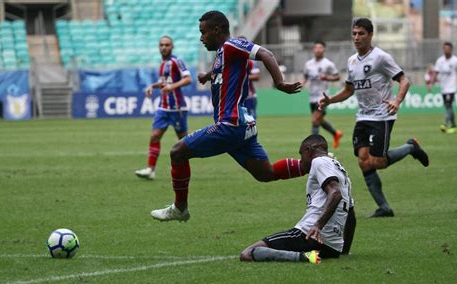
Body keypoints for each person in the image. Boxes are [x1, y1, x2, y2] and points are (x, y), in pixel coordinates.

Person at [150, 11, 302, 222]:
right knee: (265, 173)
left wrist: (279, 83)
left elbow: (266, 54)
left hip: (230, 125)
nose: (201, 38)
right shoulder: (223, 53)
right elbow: (226, 71)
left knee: (177, 152)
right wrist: (208, 75)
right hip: (242, 126)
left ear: (217, 30)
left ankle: (180, 208)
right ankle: (312, 164)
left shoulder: (232, 45)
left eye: (203, 32)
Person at [319, 18, 429, 218]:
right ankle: (384, 208)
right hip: (363, 117)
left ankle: (411, 147)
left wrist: (397, 100)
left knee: (377, 161)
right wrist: (331, 101)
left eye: (361, 33)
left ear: (370, 35)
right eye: (354, 33)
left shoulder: (381, 57)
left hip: (382, 116)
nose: (356, 37)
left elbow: (404, 80)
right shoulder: (352, 61)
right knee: (363, 161)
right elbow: (349, 90)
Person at [240, 134, 356, 264]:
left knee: (248, 253)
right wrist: (343, 250)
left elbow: (335, 194)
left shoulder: (319, 161)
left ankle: (303, 257)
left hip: (308, 237)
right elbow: (351, 216)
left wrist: (318, 225)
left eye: (301, 154)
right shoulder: (342, 172)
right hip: (331, 249)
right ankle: (307, 255)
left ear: (309, 150)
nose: (301, 161)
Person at [135, 36, 192, 180]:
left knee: (183, 142)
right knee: (155, 136)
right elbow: (164, 82)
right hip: (163, 107)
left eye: (167, 45)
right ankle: (150, 170)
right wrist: (152, 86)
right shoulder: (163, 63)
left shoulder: (176, 61)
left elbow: (188, 78)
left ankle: (185, 169)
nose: (164, 47)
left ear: (172, 47)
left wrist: (172, 86)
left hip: (177, 108)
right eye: (161, 45)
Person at [303, 41, 342, 148]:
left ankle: (313, 146)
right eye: (316, 47)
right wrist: (302, 84)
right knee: (319, 120)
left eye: (320, 47)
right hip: (312, 96)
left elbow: (337, 77)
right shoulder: (308, 64)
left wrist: (327, 78)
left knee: (315, 120)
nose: (318, 49)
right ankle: (335, 133)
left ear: (324, 49)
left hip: (323, 97)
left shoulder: (328, 64)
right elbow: (306, 77)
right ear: (313, 49)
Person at [432, 42, 457, 134]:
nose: (446, 50)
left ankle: (445, 124)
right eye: (444, 48)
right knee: (447, 106)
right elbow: (436, 72)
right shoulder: (440, 61)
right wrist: (431, 83)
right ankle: (453, 124)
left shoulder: (456, 60)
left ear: (451, 49)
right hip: (443, 87)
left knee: (448, 104)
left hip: (452, 87)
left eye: (448, 49)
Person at [239, 36, 261, 119]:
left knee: (251, 120)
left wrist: (242, 77)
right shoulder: (233, 60)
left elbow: (256, 76)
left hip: (249, 95)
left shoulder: (251, 61)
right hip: (237, 96)